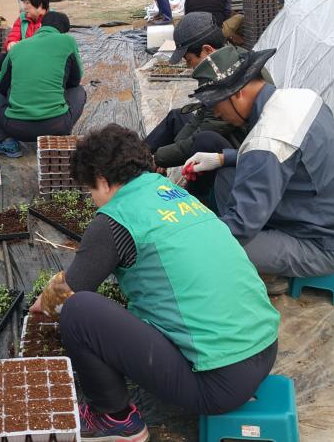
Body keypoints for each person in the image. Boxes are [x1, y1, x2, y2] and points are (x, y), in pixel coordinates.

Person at [29, 124, 280, 442]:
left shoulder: (115, 219)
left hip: (218, 384)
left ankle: (116, 420)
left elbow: (70, 289)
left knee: (78, 310)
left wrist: (44, 302)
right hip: (265, 351)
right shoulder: (174, 195)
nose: (92, 200)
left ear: (104, 181)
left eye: (90, 190)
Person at [182, 46, 334, 293]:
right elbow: (288, 156)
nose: (215, 113)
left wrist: (189, 232)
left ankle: (269, 272)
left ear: (237, 95)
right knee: (226, 175)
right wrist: (221, 159)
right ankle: (266, 254)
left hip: (324, 245)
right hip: (326, 213)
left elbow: (240, 227)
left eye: (216, 105)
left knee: (222, 247)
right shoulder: (300, 98)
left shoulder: (267, 140)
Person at [144, 12, 273, 171]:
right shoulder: (224, 63)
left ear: (207, 50)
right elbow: (202, 115)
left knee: (204, 140)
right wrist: (167, 153)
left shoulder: (230, 78)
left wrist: (160, 158)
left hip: (240, 147)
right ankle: (137, 158)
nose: (190, 68)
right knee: (176, 117)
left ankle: (191, 190)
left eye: (189, 60)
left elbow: (207, 129)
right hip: (227, 136)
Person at [0, 11, 86, 158]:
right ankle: (60, 138)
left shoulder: (17, 48)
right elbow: (75, 80)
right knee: (79, 91)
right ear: (64, 31)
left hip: (17, 128)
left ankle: (7, 142)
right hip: (57, 126)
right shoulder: (68, 41)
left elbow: (0, 88)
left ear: (41, 25)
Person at [0, 0, 50, 70]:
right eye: (23, 3)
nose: (24, 7)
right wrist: (11, 44)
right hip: (25, 57)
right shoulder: (22, 19)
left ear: (40, 4)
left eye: (27, 3)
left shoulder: (52, 19)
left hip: (44, 59)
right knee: (2, 60)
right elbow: (13, 36)